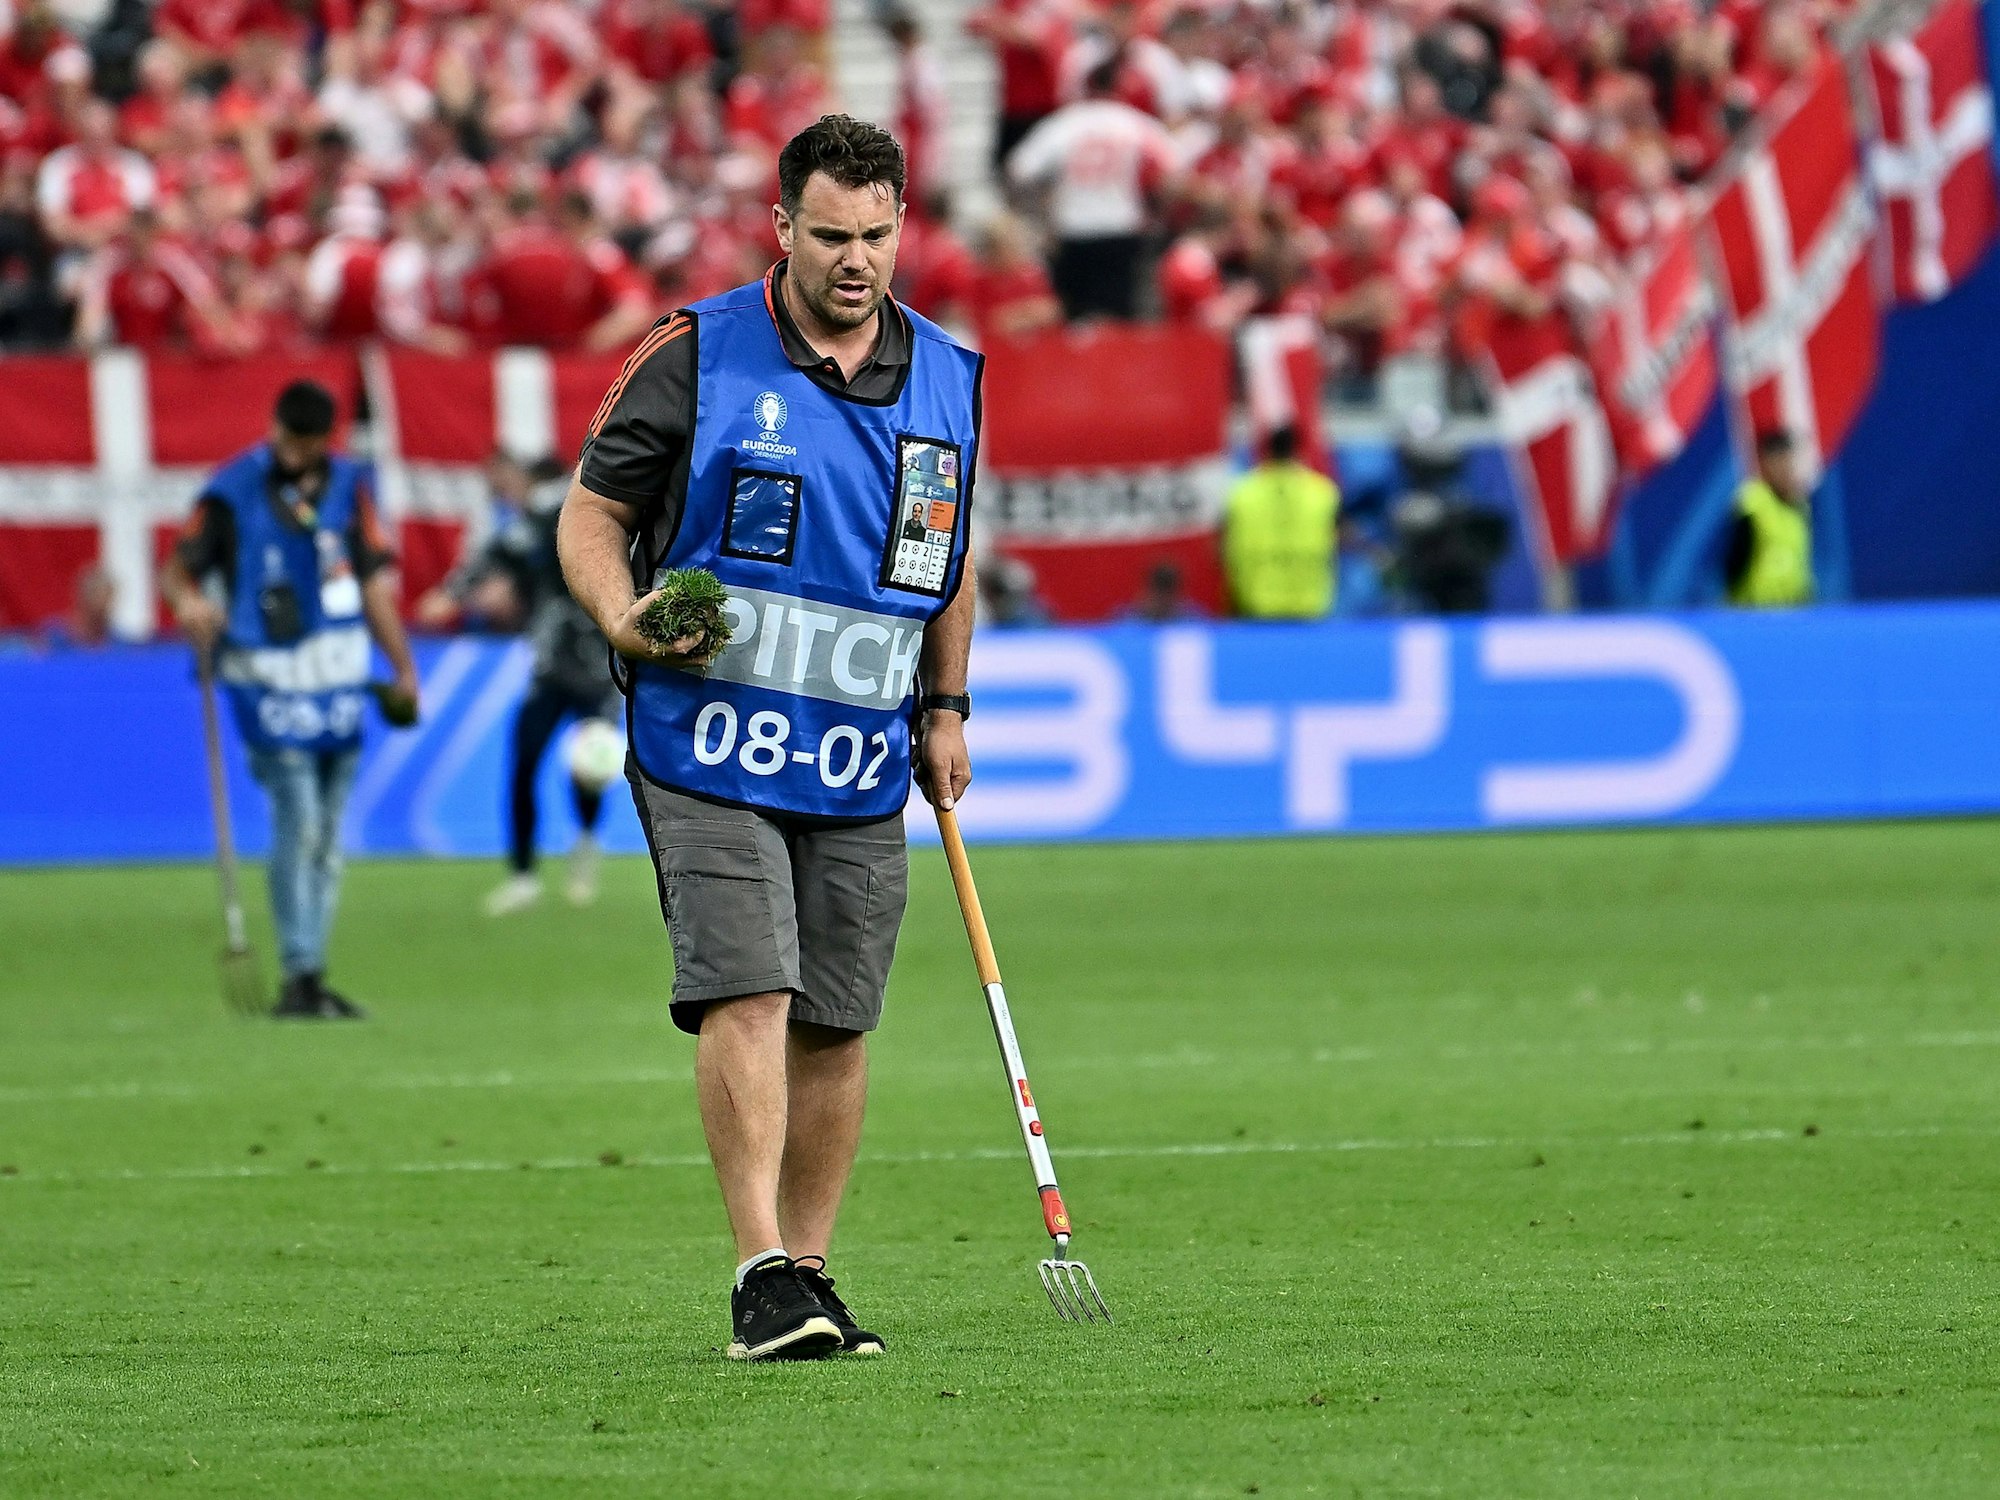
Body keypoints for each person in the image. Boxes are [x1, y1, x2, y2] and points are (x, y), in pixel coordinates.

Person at [558, 115, 977, 1362]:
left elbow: (946, 567)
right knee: (750, 983)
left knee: (837, 1018)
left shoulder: (950, 375)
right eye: (832, 234)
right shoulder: (695, 352)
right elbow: (590, 516)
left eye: (878, 235)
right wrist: (620, 614)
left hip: (854, 757)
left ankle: (809, 1272)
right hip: (705, 741)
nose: (857, 260)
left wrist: (945, 709)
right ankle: (755, 1275)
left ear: (903, 227)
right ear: (780, 226)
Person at [159, 380, 421, 1020]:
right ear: (274, 427)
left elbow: (371, 585)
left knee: (329, 835)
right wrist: (189, 603)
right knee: (297, 818)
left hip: (338, 675)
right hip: (266, 675)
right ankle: (300, 970)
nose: (294, 454)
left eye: (306, 445)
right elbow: (178, 567)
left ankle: (310, 972)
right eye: (286, 439)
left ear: (322, 441)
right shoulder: (231, 490)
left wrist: (404, 667)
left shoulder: (349, 488)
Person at [453, 461, 625, 916]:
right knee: (525, 761)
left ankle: (584, 844)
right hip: (553, 666)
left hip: (597, 666)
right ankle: (524, 876)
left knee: (584, 770)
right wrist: (465, 590)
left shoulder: (557, 504)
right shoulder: (560, 513)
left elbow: (505, 547)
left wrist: (455, 592)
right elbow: (505, 554)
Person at [1221, 424, 1341, 620]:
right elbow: (1338, 542)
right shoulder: (1323, 492)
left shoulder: (1242, 493)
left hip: (1257, 603)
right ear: (1299, 449)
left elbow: (1222, 548)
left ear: (1267, 449)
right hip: (1310, 603)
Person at [1723, 429, 1814, 608]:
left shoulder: (1800, 508)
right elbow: (1735, 563)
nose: (1786, 470)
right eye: (1779, 462)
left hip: (1794, 611)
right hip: (1754, 613)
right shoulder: (1752, 504)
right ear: (1766, 464)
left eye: (1789, 463)